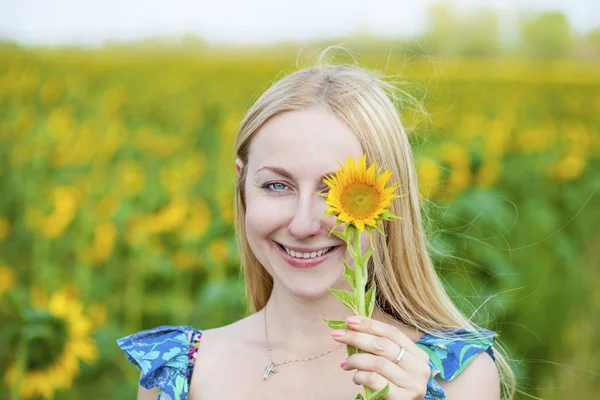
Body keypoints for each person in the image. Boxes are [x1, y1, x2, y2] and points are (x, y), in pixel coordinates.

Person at [117, 48, 515, 400]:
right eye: (276, 185)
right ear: (241, 184)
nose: (305, 223)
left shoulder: (453, 378)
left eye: (335, 191)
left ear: (387, 197)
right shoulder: (174, 374)